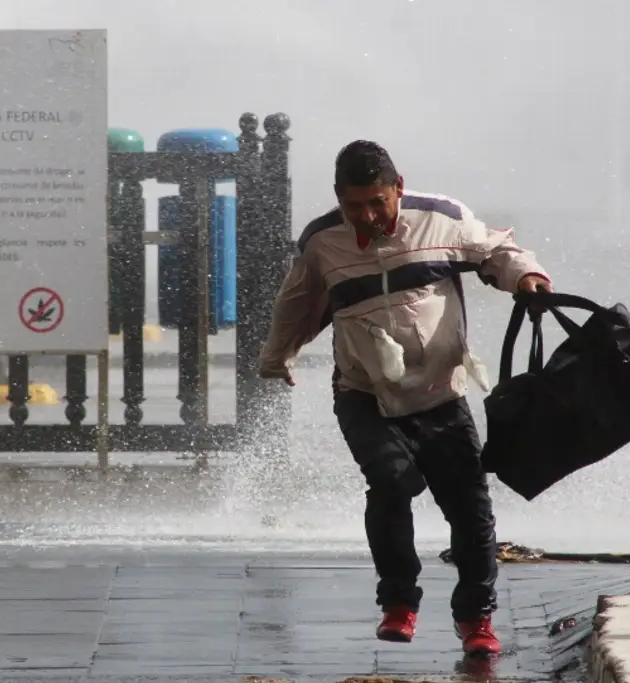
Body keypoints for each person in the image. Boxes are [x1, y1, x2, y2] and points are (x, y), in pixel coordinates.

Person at [257, 140, 552, 655]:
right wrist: (278, 356)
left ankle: (476, 619)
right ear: (337, 198)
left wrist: (526, 276)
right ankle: (398, 603)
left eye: (378, 202)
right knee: (392, 481)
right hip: (363, 393)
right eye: (354, 206)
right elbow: (298, 301)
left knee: (470, 509)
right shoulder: (323, 241)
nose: (368, 217)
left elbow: (498, 250)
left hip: (440, 392)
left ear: (398, 187)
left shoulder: (442, 219)